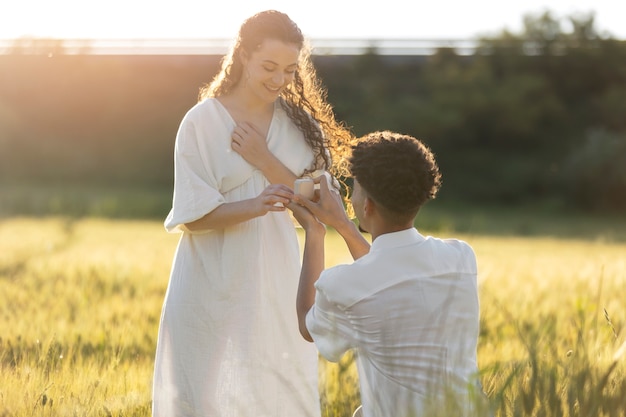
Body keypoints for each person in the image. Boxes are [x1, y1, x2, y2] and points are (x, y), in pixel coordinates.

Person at [152, 10, 354, 417]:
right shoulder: (202, 123)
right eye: (268, 66)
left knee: (276, 388)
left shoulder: (301, 129)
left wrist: (264, 160)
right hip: (208, 277)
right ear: (242, 56)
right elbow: (192, 216)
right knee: (201, 393)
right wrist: (255, 205)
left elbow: (320, 208)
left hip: (277, 277)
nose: (279, 80)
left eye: (290, 70)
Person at [289, 131, 489, 417]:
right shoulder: (460, 259)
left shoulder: (344, 285)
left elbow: (307, 325)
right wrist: (344, 225)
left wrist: (315, 231)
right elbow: (387, 275)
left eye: (355, 188)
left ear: (367, 205)